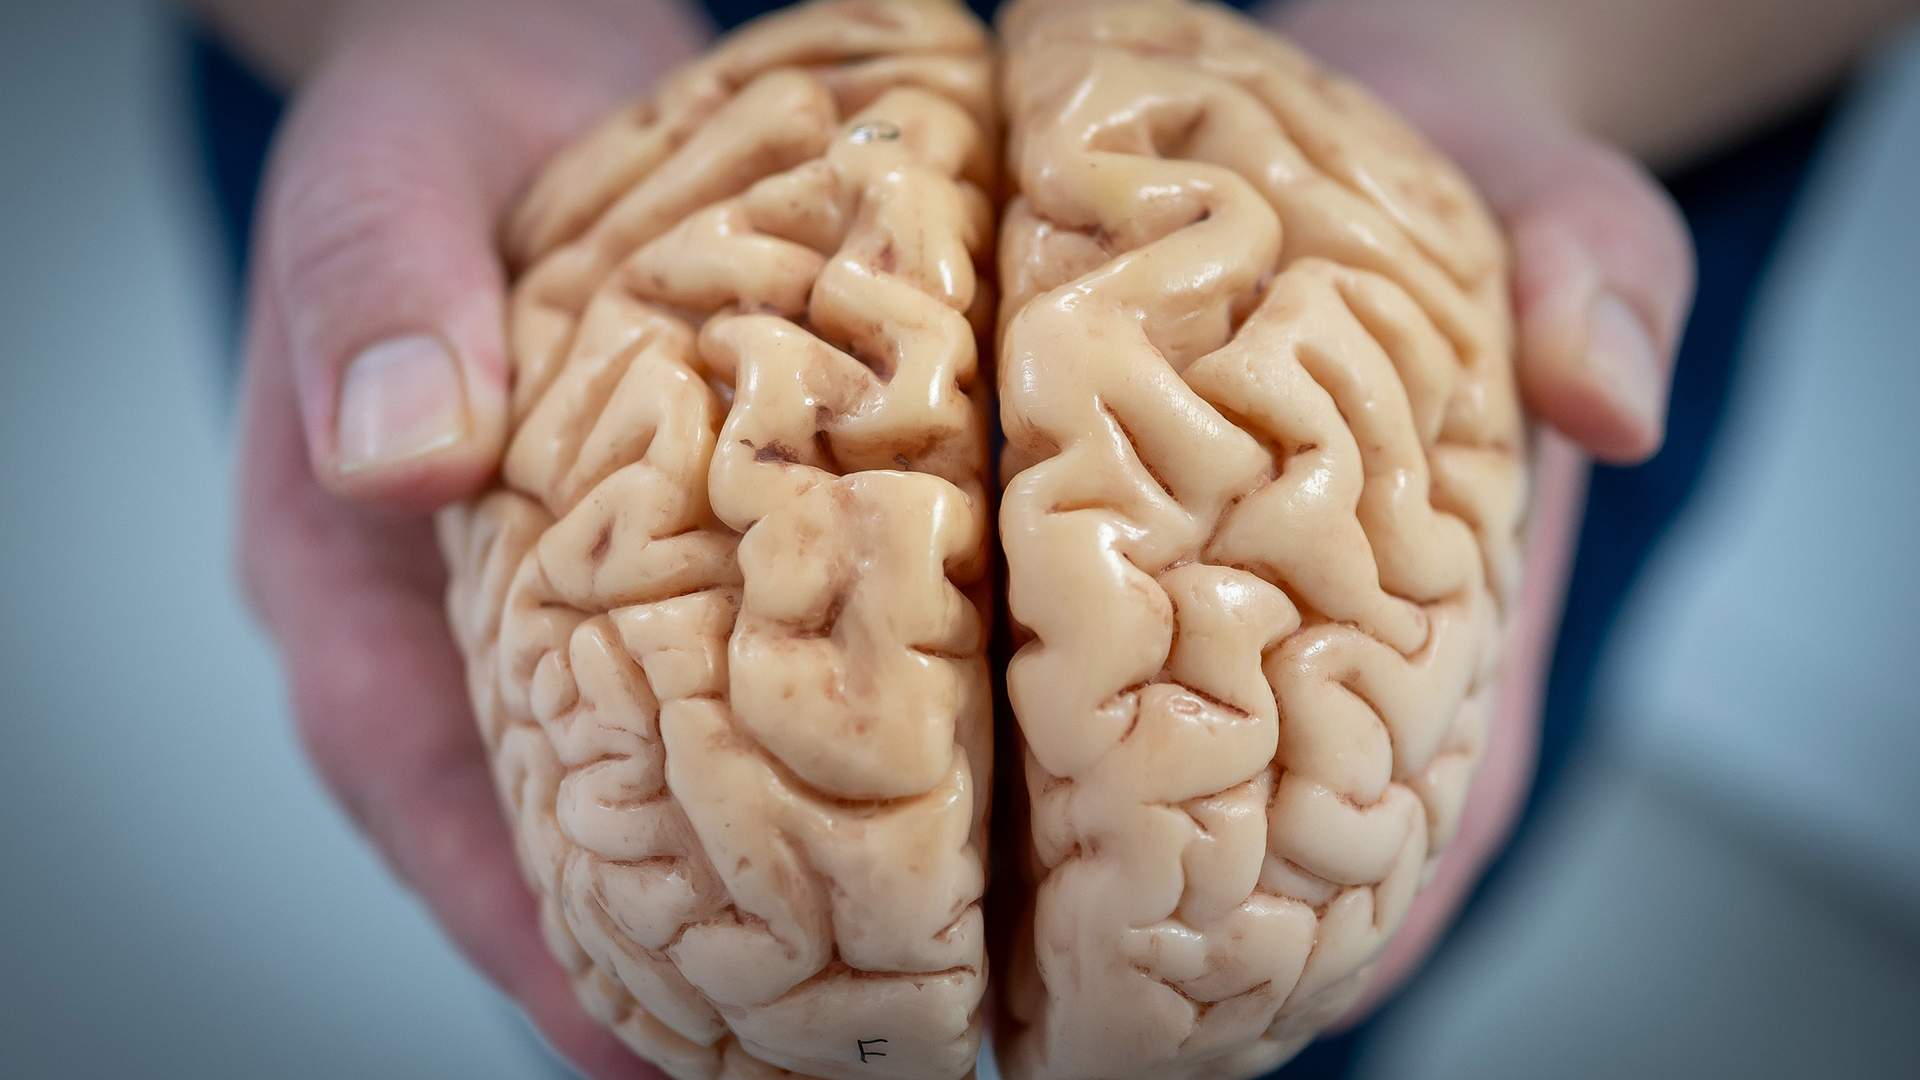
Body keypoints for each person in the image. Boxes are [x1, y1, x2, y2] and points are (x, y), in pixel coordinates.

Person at [183, 0, 1917, 1076]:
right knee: (731, 933)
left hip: (1483, 116)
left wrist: (1538, 41)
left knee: (1235, 982)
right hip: (568, 120)